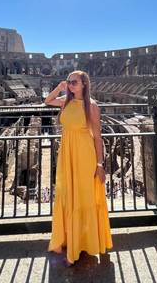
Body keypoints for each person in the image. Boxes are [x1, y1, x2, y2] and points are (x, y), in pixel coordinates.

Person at [45, 71, 113, 266]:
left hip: (84, 156)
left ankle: (81, 245)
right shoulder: (66, 102)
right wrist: (59, 88)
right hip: (67, 154)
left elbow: (98, 137)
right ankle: (68, 240)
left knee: (83, 198)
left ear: (84, 83)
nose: (70, 85)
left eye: (74, 82)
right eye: (69, 82)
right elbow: (47, 101)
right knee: (66, 195)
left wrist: (100, 164)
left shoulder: (91, 106)